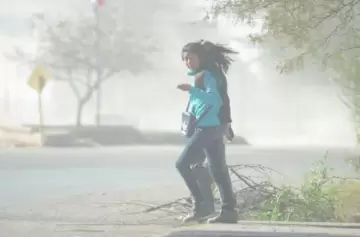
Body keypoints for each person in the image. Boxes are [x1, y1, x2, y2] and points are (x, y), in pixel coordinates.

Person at [176, 39, 238, 223]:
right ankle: (228, 211)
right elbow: (222, 102)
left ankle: (202, 206)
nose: (188, 62)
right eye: (185, 59)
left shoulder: (208, 75)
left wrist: (192, 90)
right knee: (217, 169)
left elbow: (215, 100)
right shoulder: (208, 74)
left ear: (201, 57)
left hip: (209, 128)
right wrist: (227, 124)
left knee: (183, 164)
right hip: (215, 126)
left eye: (191, 58)